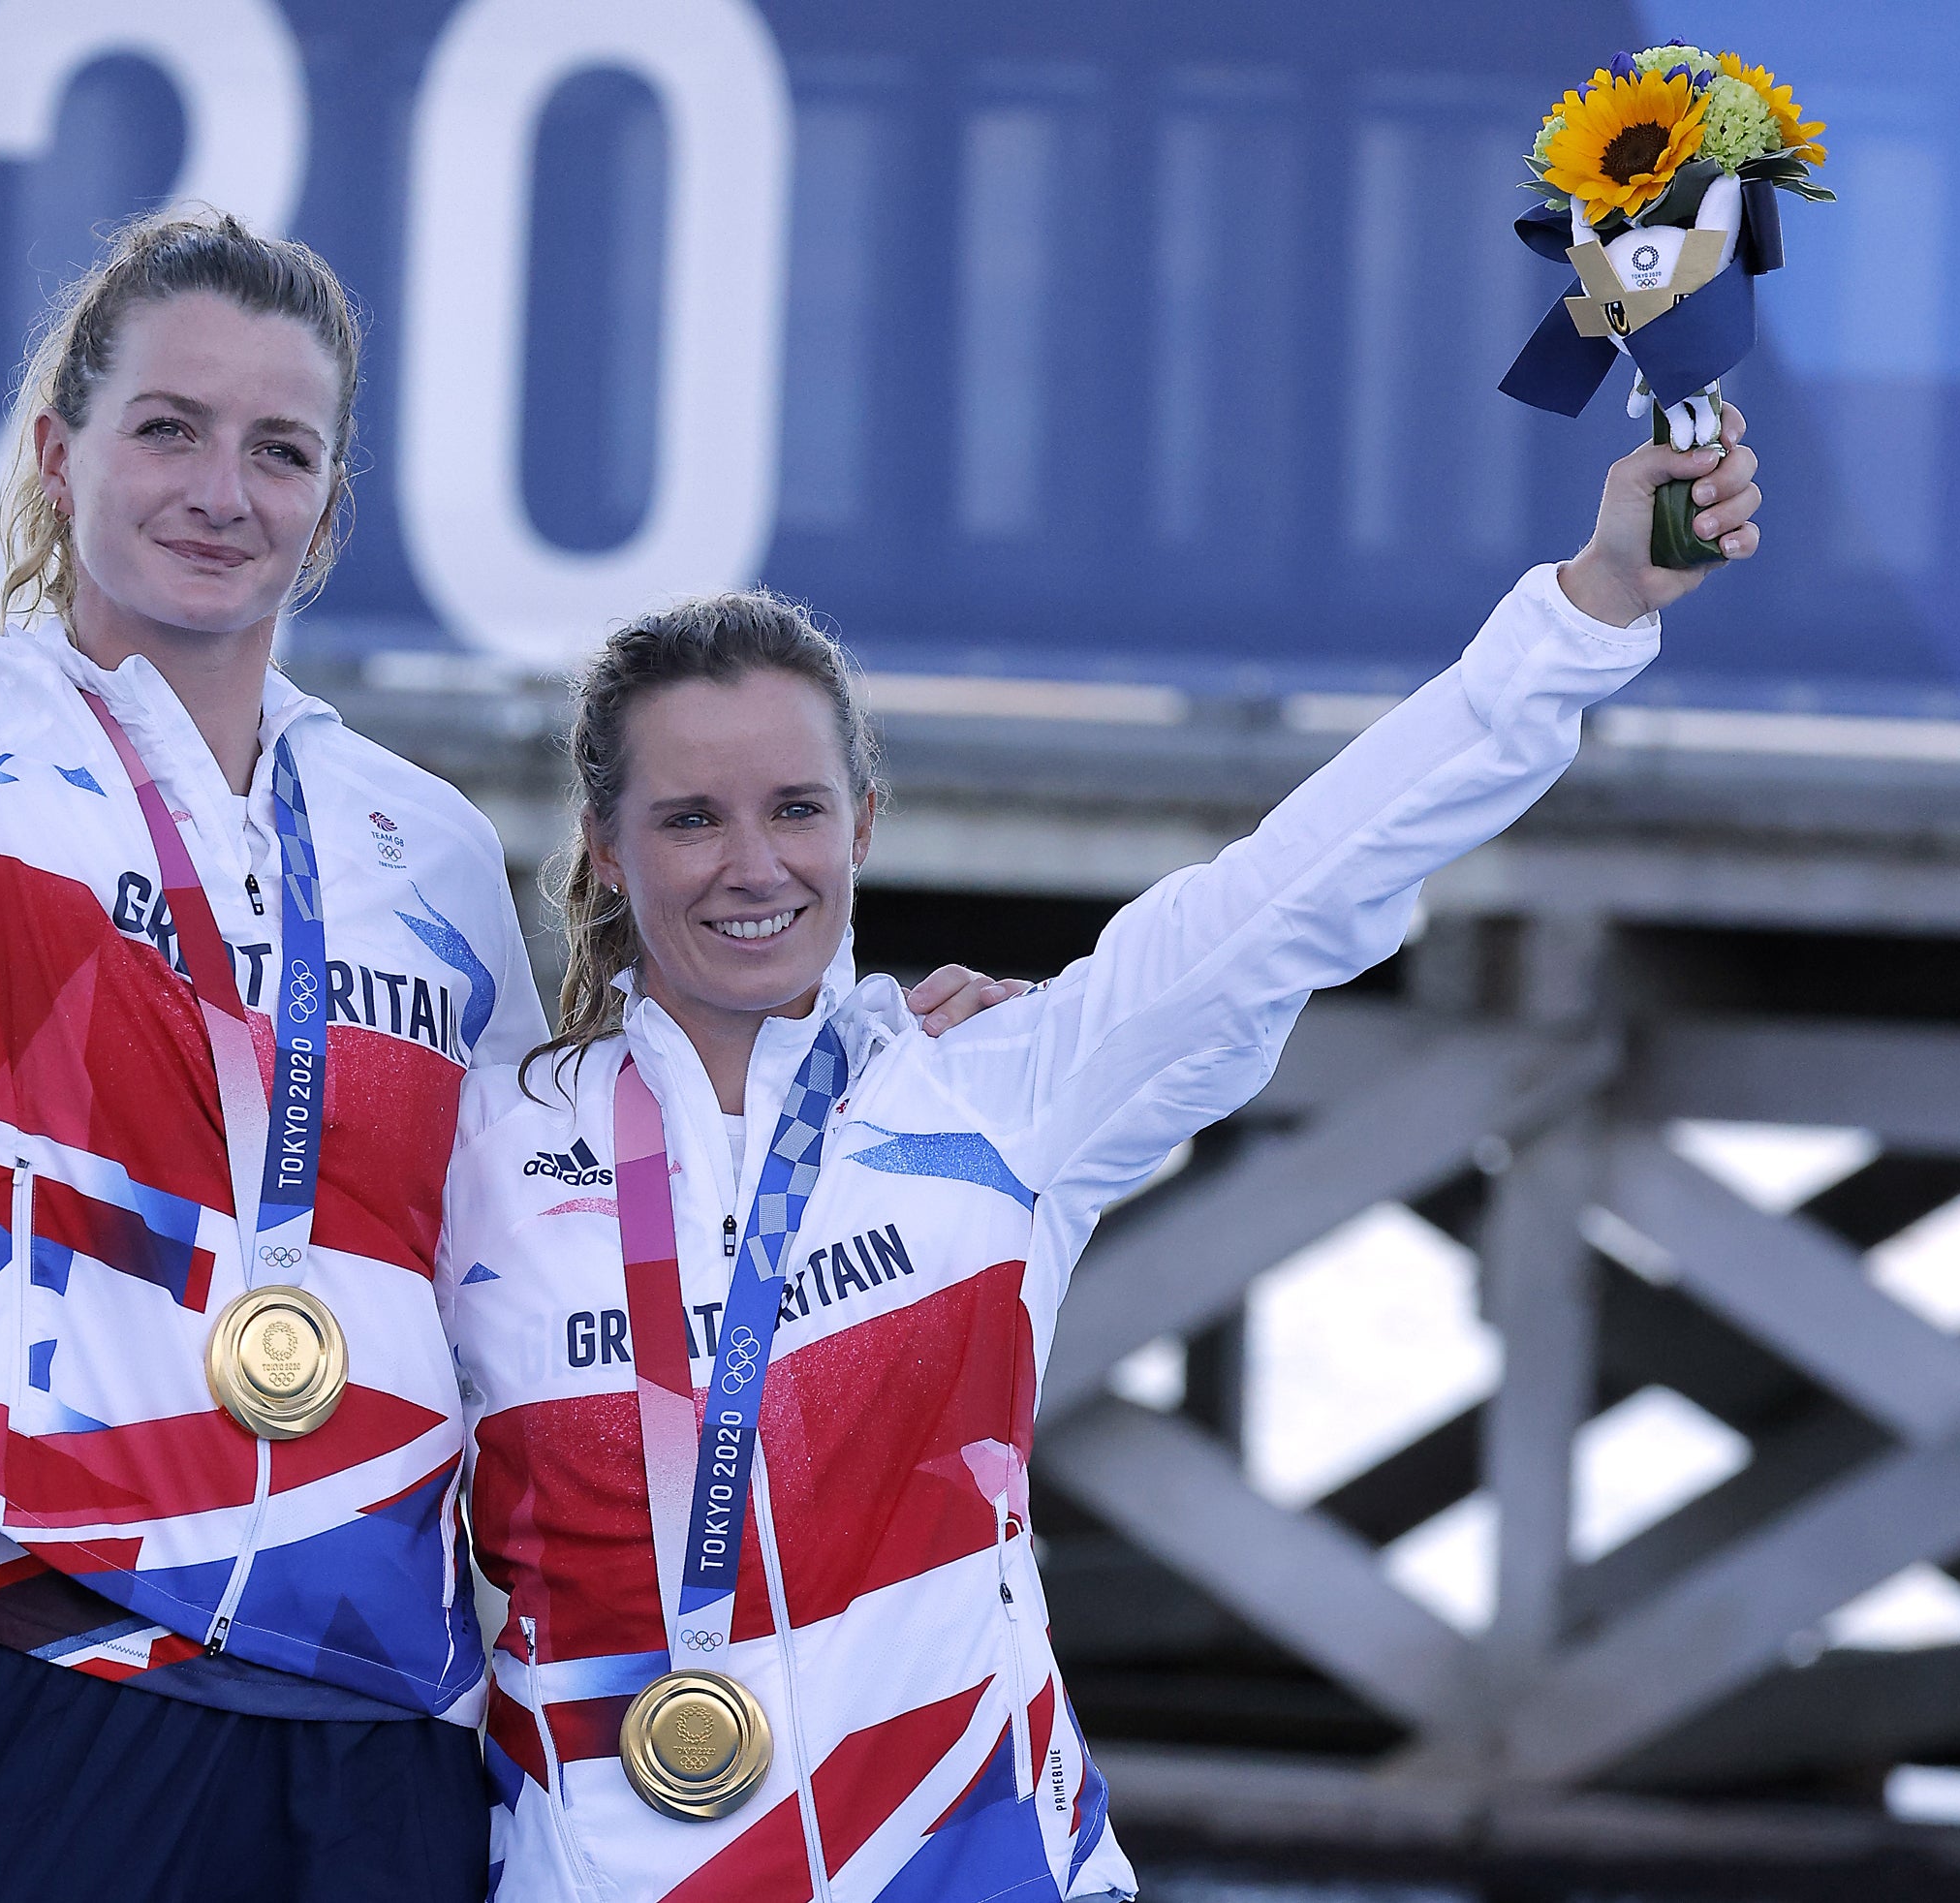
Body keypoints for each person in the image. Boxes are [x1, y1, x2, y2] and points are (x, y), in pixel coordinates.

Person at [0, 4, 1022, 1894]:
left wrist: (875, 1071)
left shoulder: (424, 847)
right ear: (58, 451)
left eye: (276, 448)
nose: (220, 487)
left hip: (375, 1735)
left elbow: (558, 1208)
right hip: (34, 1647)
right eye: (166, 428)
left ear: (324, 504)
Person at [435, 416, 1765, 1899]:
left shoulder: (1000, 1099)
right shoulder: (484, 1157)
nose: (754, 865)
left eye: (796, 809)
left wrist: (1589, 607)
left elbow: (1304, 881)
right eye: (690, 818)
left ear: (863, 825)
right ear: (608, 850)